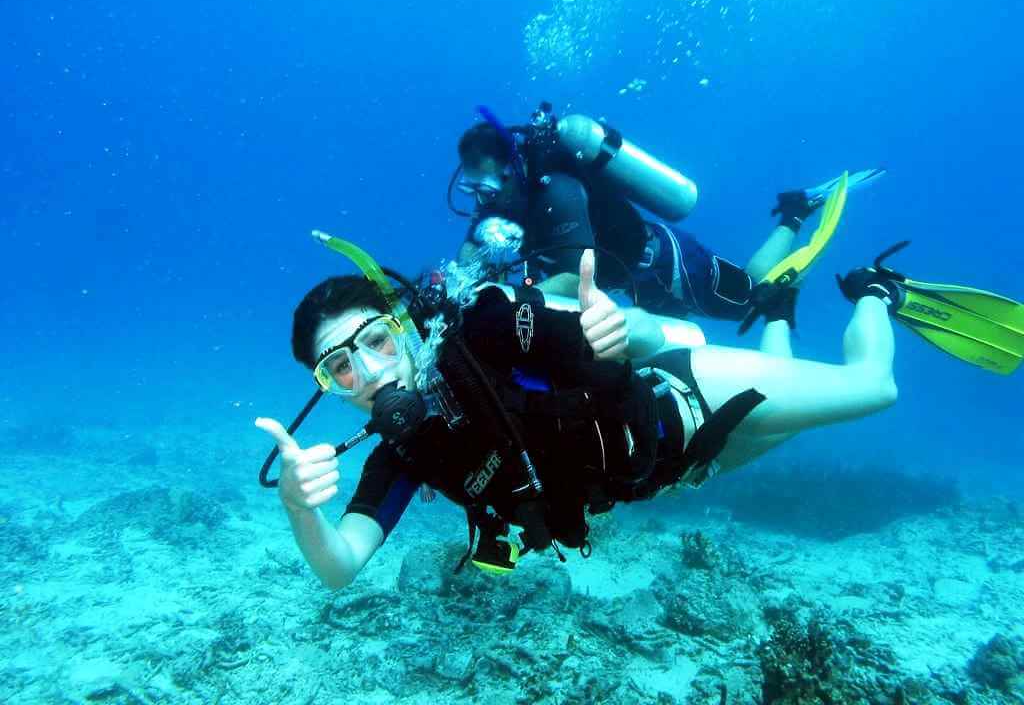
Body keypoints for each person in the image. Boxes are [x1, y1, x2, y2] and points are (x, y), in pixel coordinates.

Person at [255, 232, 1024, 590]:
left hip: (689, 394)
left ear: (406, 325)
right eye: (339, 368)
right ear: (324, 387)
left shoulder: (485, 330)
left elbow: (627, 336)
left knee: (871, 391)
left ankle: (875, 291)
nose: (369, 374)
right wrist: (299, 508)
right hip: (680, 472)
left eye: (376, 342)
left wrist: (632, 326)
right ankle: (780, 301)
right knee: (788, 405)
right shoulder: (400, 456)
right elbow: (339, 566)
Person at [451, 104, 885, 323]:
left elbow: (572, 273)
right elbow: (468, 263)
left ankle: (795, 212)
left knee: (751, 300)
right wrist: (450, 295)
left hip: (670, 263)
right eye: (472, 189)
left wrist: (509, 304)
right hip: (631, 287)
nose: (481, 200)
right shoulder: (499, 207)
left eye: (486, 186)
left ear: (512, 170)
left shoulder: (556, 191)